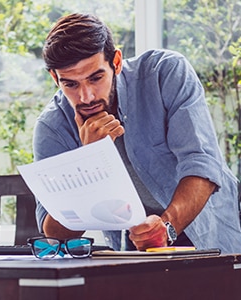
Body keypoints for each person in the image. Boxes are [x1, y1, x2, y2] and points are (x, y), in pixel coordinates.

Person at [33, 13, 241, 253]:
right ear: (54, 78)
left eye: (96, 77)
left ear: (117, 62)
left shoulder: (165, 73)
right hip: (136, 252)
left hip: (213, 238)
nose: (86, 96)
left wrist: (166, 226)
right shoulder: (52, 127)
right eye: (71, 84)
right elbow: (54, 230)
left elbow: (202, 163)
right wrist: (91, 160)